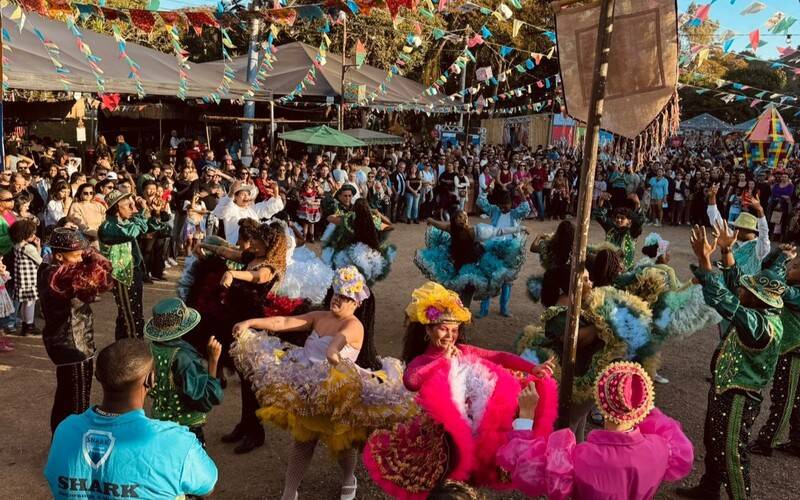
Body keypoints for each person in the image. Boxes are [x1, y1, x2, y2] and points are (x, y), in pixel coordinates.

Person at [232, 267, 415, 500]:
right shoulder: (319, 316)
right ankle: (290, 491)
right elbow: (284, 321)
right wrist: (250, 322)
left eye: (346, 297)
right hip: (308, 386)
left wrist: (333, 351)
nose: (338, 299)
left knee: (342, 442)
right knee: (303, 440)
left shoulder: (354, 324)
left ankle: (349, 478)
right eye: (337, 293)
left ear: (356, 303)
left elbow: (340, 341)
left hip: (337, 390)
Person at [363, 282, 557, 497]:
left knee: (470, 480)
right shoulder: (422, 360)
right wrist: (442, 361)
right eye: (443, 329)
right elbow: (412, 381)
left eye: (454, 330)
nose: (449, 335)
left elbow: (500, 356)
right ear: (428, 330)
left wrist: (533, 367)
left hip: (474, 428)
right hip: (443, 439)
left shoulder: (463, 350)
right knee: (446, 483)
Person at [677, 224, 785, 500]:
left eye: (748, 291)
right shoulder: (760, 309)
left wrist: (704, 260)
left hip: (739, 396)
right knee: (714, 442)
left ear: (757, 299)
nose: (741, 290)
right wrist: (726, 250)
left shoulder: (759, 323)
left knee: (732, 454)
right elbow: (737, 284)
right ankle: (709, 488)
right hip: (727, 388)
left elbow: (725, 299)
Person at [44, 338, 218, 499]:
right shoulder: (176, 442)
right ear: (151, 380)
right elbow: (207, 486)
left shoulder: (65, 430)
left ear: (98, 376)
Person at [498, 361, 693, 499]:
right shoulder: (663, 448)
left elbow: (527, 469)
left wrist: (525, 415)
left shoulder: (579, 459)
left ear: (599, 404)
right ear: (645, 404)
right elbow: (663, 425)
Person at [38, 228, 113, 433]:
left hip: (66, 342)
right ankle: (72, 449)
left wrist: (84, 251)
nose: (81, 258)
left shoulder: (48, 267)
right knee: (78, 402)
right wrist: (90, 253)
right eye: (76, 254)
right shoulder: (60, 274)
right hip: (74, 346)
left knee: (65, 397)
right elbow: (102, 270)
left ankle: (60, 439)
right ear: (59, 255)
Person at [144, 298, 224, 445]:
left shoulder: (151, 348)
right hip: (185, 430)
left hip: (158, 423)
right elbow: (207, 399)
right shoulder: (183, 358)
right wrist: (213, 360)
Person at [749, 244, 800, 458]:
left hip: (794, 351)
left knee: (784, 398)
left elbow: (772, 282)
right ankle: (797, 442)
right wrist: (778, 254)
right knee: (794, 399)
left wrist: (781, 260)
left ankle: (768, 440)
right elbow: (766, 271)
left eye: (795, 266)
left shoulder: (795, 293)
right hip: (791, 349)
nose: (789, 268)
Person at [418, 210, 528, 307]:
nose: (463, 219)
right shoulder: (451, 229)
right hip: (457, 263)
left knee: (467, 289)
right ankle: (459, 311)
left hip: (472, 265)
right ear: (454, 219)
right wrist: (430, 220)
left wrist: (520, 228)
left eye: (465, 216)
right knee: (456, 289)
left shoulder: (475, 231)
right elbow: (438, 225)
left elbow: (499, 231)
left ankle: (463, 313)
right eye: (460, 217)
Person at [98, 190, 168, 340]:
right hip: (122, 275)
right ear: (117, 208)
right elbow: (132, 232)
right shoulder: (107, 226)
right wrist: (141, 212)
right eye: (128, 205)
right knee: (130, 316)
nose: (132, 208)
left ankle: (124, 348)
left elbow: (155, 227)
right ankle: (134, 351)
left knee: (133, 314)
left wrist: (154, 212)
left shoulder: (125, 222)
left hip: (133, 272)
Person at [475, 188, 531, 318]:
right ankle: (484, 309)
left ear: (511, 204)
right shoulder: (494, 210)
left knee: (507, 279)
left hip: (510, 249)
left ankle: (504, 308)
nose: (503, 209)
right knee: (489, 277)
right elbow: (481, 202)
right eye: (501, 206)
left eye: (506, 206)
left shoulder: (515, 213)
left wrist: (522, 193)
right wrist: (485, 191)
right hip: (492, 247)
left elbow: (526, 208)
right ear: (498, 205)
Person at [707, 183, 769, 276]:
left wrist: (760, 210)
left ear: (752, 232)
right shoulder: (733, 237)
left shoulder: (760, 247)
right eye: (736, 228)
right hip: (728, 282)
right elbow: (716, 220)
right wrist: (712, 197)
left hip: (748, 287)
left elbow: (764, 232)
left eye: (741, 229)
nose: (736, 230)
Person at [212, 181, 284, 244]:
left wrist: (276, 191)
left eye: (248, 194)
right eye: (243, 194)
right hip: (237, 248)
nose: (246, 197)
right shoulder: (231, 208)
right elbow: (219, 213)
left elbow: (270, 207)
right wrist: (231, 193)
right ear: (235, 197)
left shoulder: (252, 210)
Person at [592, 192, 644, 269]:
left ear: (629, 222)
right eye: (617, 217)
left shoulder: (632, 232)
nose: (619, 220)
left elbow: (639, 221)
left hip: (625, 271)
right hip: (608, 268)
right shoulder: (611, 228)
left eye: (622, 218)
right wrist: (601, 200)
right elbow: (599, 216)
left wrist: (638, 204)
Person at [10, 219, 41, 336]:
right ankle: (29, 326)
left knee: (24, 304)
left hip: (21, 279)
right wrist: (38, 247)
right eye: (31, 234)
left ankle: (25, 324)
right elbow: (39, 260)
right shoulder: (29, 248)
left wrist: (37, 246)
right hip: (30, 280)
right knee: (30, 303)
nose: (34, 236)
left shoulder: (17, 245)